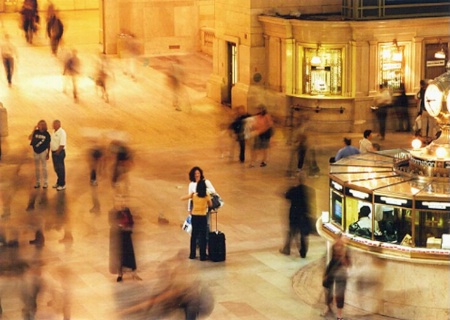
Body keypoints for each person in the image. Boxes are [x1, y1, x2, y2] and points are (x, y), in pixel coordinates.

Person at [279, 173, 312, 258]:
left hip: (294, 215)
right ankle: (303, 252)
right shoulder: (307, 189)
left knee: (292, 232)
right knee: (302, 235)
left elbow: (286, 196)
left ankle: (287, 249)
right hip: (303, 215)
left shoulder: (293, 190)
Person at [109, 196, 140, 282]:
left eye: (122, 201)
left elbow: (131, 220)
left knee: (129, 253)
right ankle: (120, 273)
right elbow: (111, 223)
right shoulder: (112, 211)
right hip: (118, 237)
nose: (121, 203)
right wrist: (119, 226)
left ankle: (133, 271)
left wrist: (129, 226)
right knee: (119, 256)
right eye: (119, 201)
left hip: (126, 235)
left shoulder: (126, 210)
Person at [322, 233, 351, 320]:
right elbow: (331, 261)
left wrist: (344, 260)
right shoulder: (334, 247)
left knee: (340, 293)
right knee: (328, 289)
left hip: (341, 273)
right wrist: (326, 273)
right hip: (332, 271)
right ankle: (328, 306)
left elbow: (349, 263)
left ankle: (339, 315)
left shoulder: (346, 249)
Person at [181, 179, 212, 261]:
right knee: (203, 236)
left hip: (195, 216)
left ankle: (192, 254)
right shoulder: (206, 195)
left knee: (194, 235)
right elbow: (210, 204)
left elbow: (183, 198)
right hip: (202, 217)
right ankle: (202, 256)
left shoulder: (194, 195)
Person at [29, 120, 51, 188]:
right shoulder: (36, 132)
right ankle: (38, 182)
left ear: (43, 126)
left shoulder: (47, 134)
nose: (38, 126)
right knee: (37, 168)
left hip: (43, 152)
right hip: (35, 151)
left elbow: (48, 144)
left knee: (44, 167)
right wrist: (33, 130)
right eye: (38, 124)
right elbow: (30, 138)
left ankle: (45, 182)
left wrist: (48, 153)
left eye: (40, 125)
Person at [50, 119, 66, 191]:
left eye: (54, 124)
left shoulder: (62, 132)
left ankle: (62, 184)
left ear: (58, 125)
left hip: (59, 153)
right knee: (56, 169)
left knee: (60, 169)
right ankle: (59, 182)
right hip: (54, 152)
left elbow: (62, 144)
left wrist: (57, 152)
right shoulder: (53, 131)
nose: (53, 125)